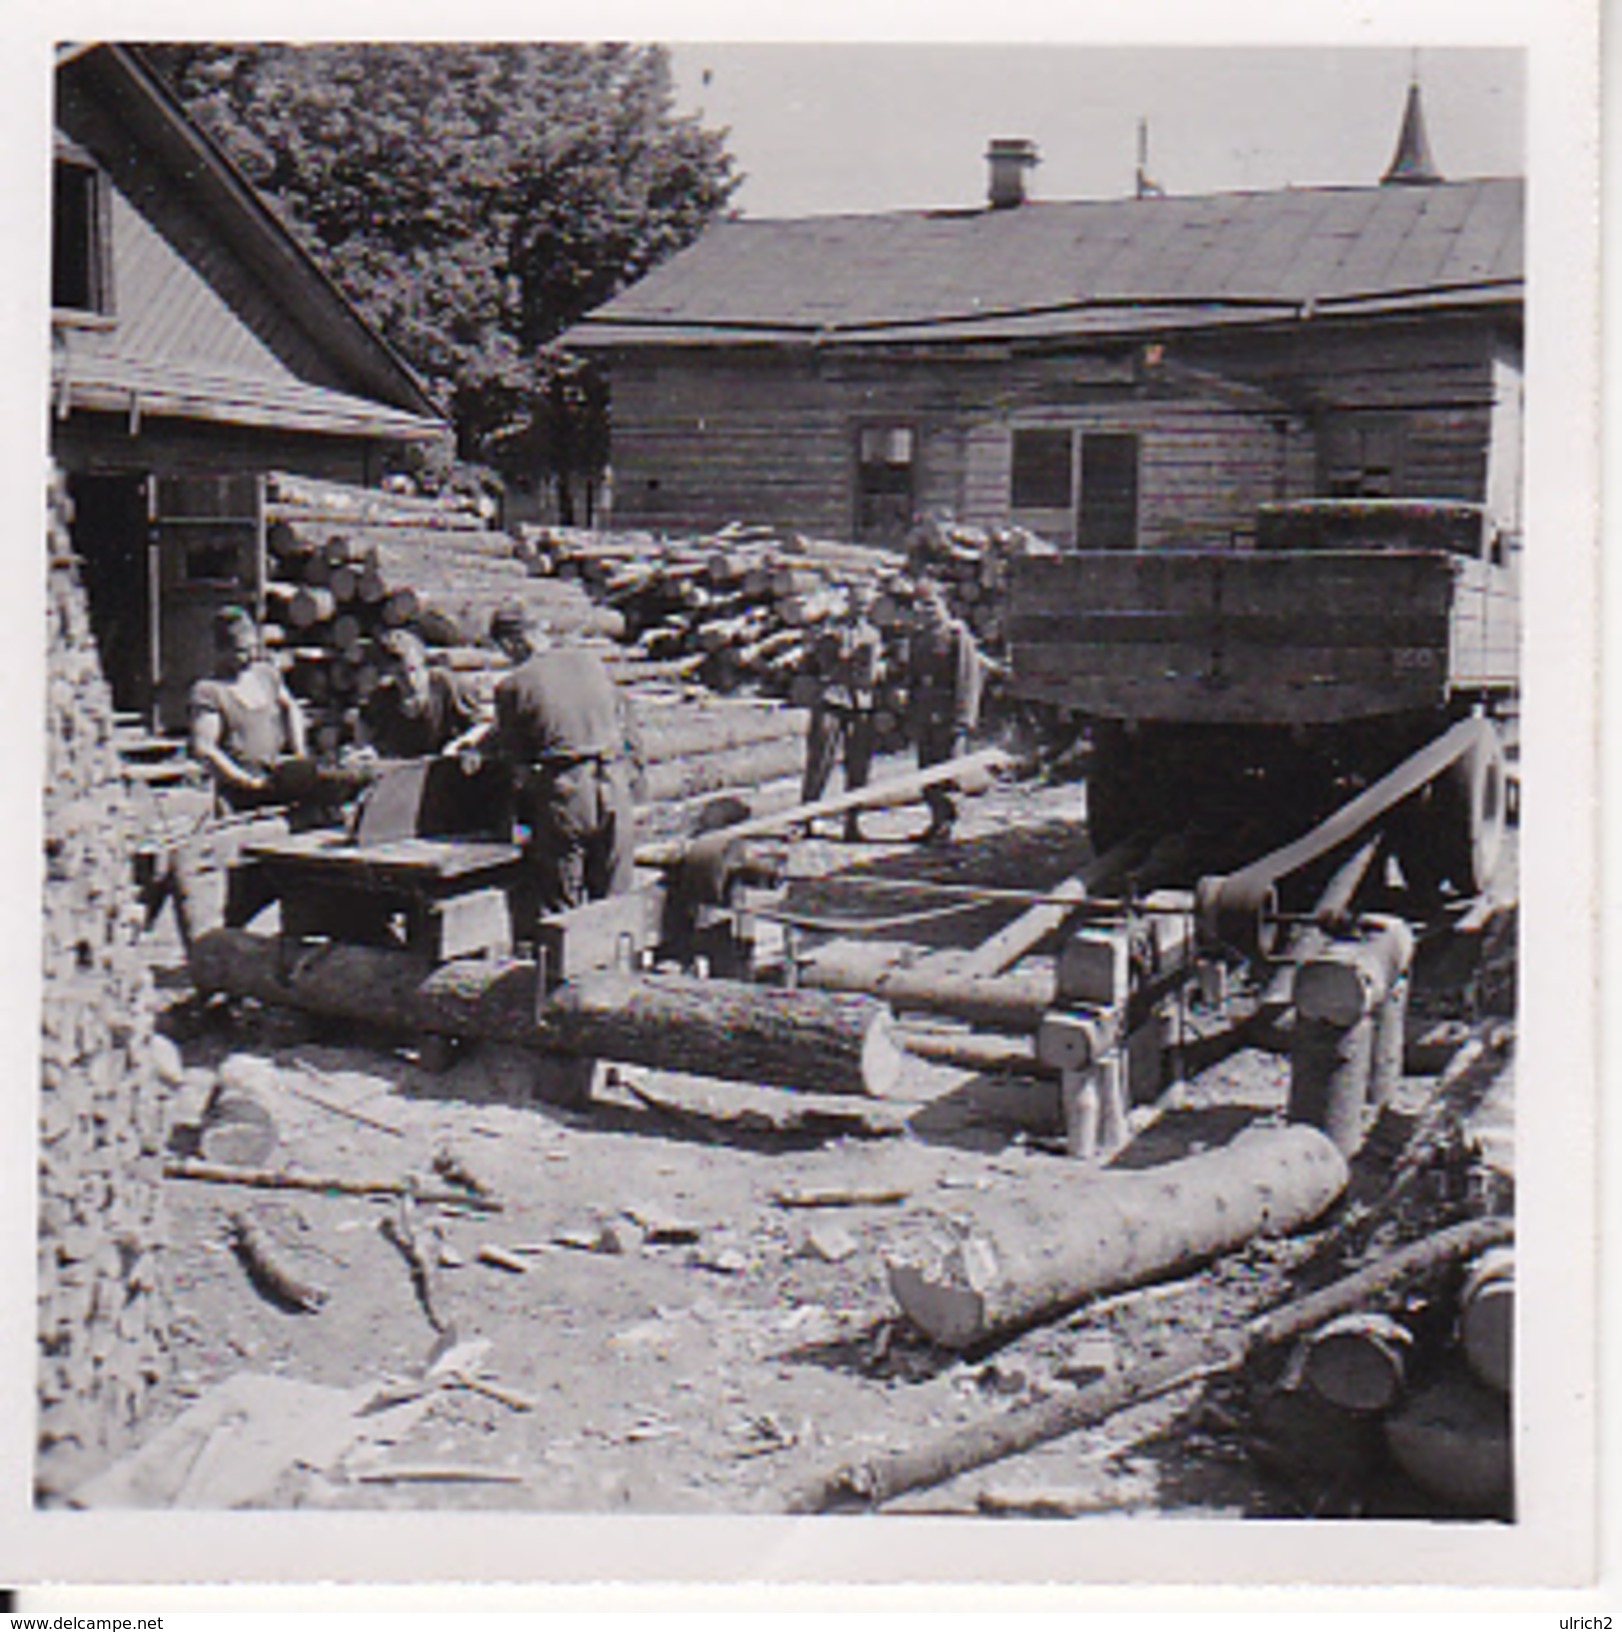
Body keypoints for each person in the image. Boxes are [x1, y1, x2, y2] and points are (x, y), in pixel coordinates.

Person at [480, 603, 642, 933]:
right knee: (613, 900)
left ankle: (568, 978)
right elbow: (628, 728)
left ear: (512, 644)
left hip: (568, 793)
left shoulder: (515, 685)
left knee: (563, 910)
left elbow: (518, 766)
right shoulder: (592, 663)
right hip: (615, 782)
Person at [189, 605, 307, 813]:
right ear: (221, 651)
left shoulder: (266, 675)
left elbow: (291, 708)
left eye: (254, 648)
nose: (251, 656)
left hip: (273, 776)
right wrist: (248, 782)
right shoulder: (209, 691)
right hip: (239, 793)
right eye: (241, 651)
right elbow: (204, 748)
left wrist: (299, 752)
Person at [906, 578, 988, 843]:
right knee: (927, 771)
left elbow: (968, 679)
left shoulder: (956, 636)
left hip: (947, 713)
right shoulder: (918, 638)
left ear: (944, 605)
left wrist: (964, 718)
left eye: (932, 604)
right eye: (922, 605)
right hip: (925, 711)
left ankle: (948, 825)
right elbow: (913, 679)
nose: (927, 611)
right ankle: (935, 821)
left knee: (947, 770)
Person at [800, 585, 885, 841]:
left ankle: (853, 821)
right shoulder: (831, 630)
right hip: (832, 698)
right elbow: (815, 664)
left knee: (859, 764)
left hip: (861, 702)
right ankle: (809, 816)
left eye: (865, 605)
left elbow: (872, 671)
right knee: (820, 759)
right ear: (848, 603)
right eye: (857, 603)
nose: (861, 609)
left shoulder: (873, 633)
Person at [360, 627, 486, 759]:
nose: (410, 680)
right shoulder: (385, 696)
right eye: (400, 675)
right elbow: (365, 723)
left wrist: (460, 744)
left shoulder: (444, 684)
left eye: (413, 670)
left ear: (423, 664)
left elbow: (481, 723)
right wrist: (367, 749)